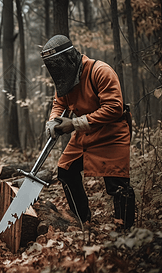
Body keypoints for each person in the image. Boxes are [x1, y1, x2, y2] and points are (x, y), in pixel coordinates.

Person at [42, 35, 135, 229]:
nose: (56, 70)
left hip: (112, 131)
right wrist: (52, 121)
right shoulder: (65, 80)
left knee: (117, 184)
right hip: (85, 131)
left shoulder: (100, 71)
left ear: (70, 58)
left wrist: (74, 124)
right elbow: (59, 102)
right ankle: (81, 218)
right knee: (66, 170)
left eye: (58, 64)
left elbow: (114, 107)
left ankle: (126, 231)